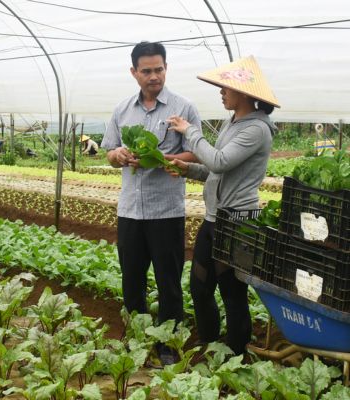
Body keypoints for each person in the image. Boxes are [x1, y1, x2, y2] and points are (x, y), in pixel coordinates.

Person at [166, 56, 279, 355]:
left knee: (232, 292)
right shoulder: (235, 124)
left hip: (238, 222)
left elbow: (218, 159)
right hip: (216, 219)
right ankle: (210, 343)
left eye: (225, 87)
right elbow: (217, 169)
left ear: (244, 92)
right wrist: (186, 168)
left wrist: (190, 131)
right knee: (200, 287)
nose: (221, 92)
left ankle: (237, 354)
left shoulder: (256, 129)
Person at [101, 41, 201, 364]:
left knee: (168, 282)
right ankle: (137, 340)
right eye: (147, 71)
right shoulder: (122, 110)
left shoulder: (183, 108)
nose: (154, 76)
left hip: (166, 212)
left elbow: (196, 152)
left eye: (159, 69)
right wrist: (119, 155)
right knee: (131, 280)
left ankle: (169, 346)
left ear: (166, 68)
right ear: (134, 73)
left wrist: (161, 159)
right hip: (130, 211)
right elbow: (110, 153)